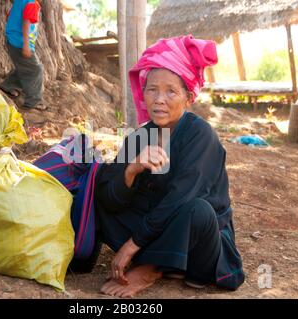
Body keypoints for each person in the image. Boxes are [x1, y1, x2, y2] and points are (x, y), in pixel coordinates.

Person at [94, 35, 245, 298]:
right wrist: (131, 169)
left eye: (171, 91)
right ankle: (162, 259)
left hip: (198, 245)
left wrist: (131, 246)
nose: (159, 99)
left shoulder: (201, 135)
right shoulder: (140, 137)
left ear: (188, 97)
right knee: (98, 189)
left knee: (198, 210)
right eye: (152, 89)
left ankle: (151, 267)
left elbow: (179, 199)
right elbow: (110, 200)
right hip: (156, 231)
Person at [0, 0, 45, 110]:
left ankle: (8, 86)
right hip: (20, 43)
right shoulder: (32, 4)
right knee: (35, 69)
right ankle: (33, 102)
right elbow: (26, 22)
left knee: (24, 67)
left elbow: (10, 15)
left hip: (13, 39)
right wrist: (26, 45)